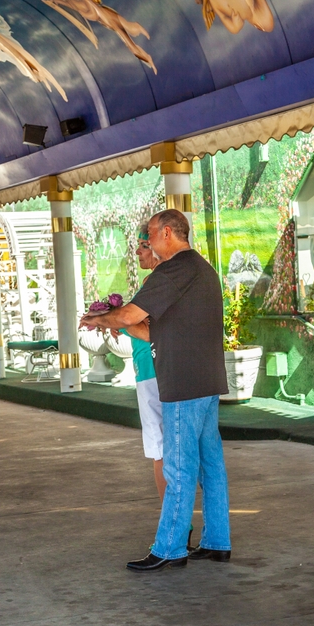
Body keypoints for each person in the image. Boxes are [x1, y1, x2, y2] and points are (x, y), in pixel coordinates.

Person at [80, 209, 231, 572]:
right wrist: (120, 325)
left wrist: (99, 319)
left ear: (167, 233)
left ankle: (169, 547)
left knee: (178, 468)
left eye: (150, 234)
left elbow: (132, 314)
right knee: (210, 465)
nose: (146, 242)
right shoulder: (203, 270)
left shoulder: (175, 269)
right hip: (206, 380)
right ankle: (216, 541)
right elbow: (155, 331)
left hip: (183, 383)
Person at [121, 224, 165, 499]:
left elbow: (152, 332)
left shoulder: (157, 282)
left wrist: (119, 320)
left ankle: (173, 525)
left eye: (144, 245)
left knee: (160, 450)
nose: (138, 251)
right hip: (152, 371)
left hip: (153, 373)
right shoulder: (156, 281)